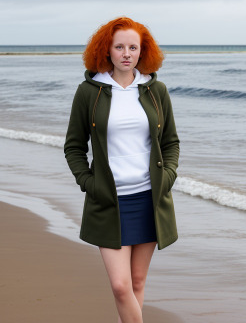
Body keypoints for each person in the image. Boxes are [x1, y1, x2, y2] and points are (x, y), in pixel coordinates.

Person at [64, 17, 180, 323]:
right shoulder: (90, 92)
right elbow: (74, 146)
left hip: (149, 200)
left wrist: (166, 178)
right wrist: (89, 182)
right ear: (108, 50)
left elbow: (171, 143)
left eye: (133, 47)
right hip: (109, 201)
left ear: (143, 52)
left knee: (137, 283)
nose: (126, 53)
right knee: (120, 286)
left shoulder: (157, 91)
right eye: (119, 47)